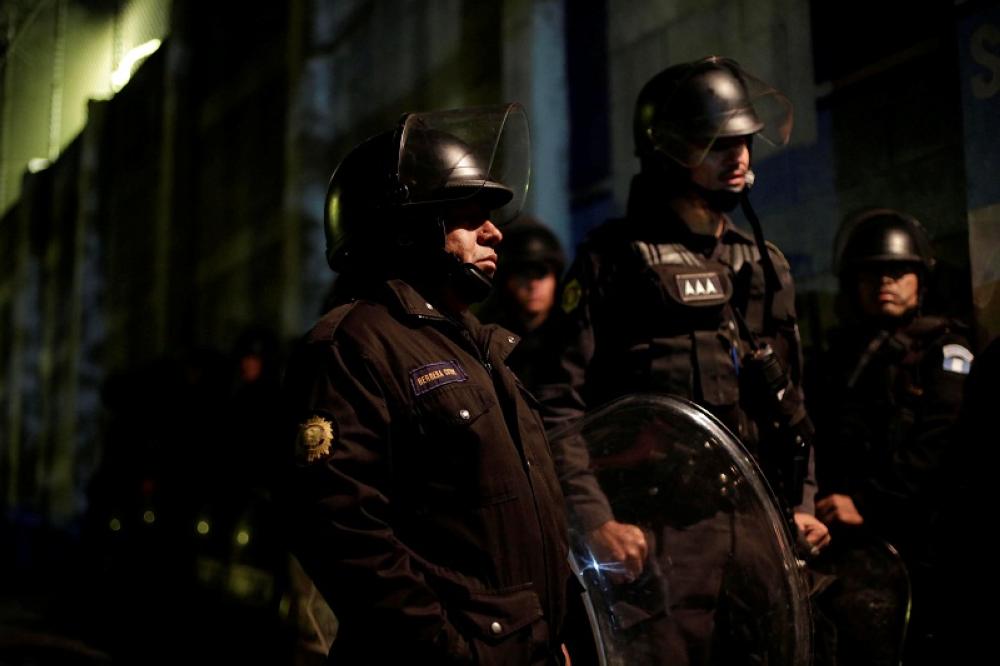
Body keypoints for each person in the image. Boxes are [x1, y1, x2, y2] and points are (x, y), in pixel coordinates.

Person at [534, 56, 828, 664]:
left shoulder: (763, 264)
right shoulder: (612, 262)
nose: (738, 155)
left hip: (756, 531)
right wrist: (595, 520)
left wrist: (800, 505)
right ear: (668, 150)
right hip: (654, 536)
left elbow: (791, 402)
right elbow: (558, 406)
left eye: (743, 139)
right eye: (715, 141)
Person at [277, 104, 573, 665]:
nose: (493, 231)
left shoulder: (475, 346)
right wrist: (454, 651)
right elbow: (342, 532)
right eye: (468, 215)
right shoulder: (352, 346)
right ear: (410, 229)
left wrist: (558, 629)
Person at [811, 208, 973, 665]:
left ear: (921, 279)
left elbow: (939, 446)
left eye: (898, 271)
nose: (884, 281)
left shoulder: (946, 351)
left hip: (925, 549)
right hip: (851, 548)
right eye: (871, 273)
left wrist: (865, 503)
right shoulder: (841, 358)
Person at [477, 215, 566, 390]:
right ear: (505, 280)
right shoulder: (486, 340)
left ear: (556, 277)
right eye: (523, 273)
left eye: (541, 273)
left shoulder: (574, 337)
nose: (533, 284)